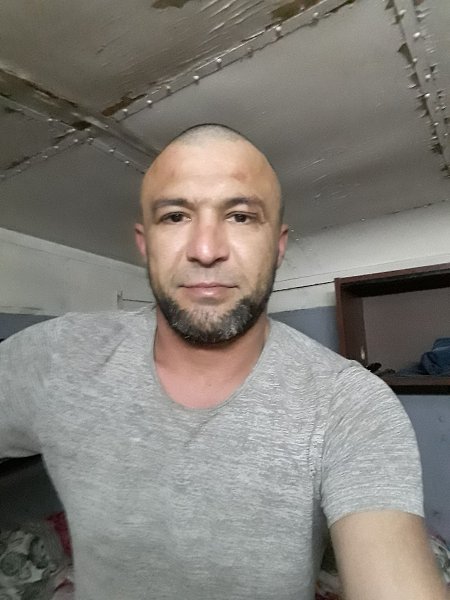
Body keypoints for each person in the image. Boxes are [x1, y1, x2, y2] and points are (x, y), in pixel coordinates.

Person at [0, 124, 447, 600]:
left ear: (277, 246)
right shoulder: (57, 356)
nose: (206, 250)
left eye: (240, 216)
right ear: (145, 244)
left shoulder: (350, 407)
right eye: (175, 216)